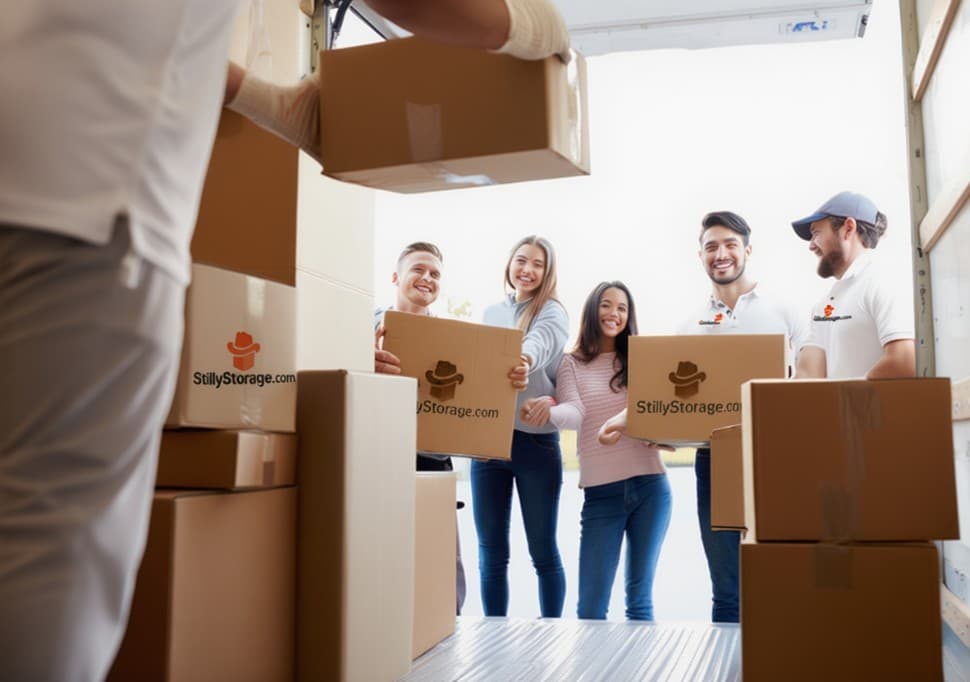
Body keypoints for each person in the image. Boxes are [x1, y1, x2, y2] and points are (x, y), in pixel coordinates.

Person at [0, 1, 570, 678]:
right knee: (50, 551)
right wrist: (528, 25)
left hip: (41, 175)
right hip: (84, 212)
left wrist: (265, 100)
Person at [599, 210, 807, 623]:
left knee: (782, 572)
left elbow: (808, 381)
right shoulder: (690, 324)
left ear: (748, 250)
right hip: (716, 460)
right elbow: (668, 396)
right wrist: (630, 420)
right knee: (726, 585)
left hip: (776, 454)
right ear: (701, 256)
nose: (721, 253)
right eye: (711, 246)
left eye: (730, 244)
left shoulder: (784, 311)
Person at [522, 281, 671, 621]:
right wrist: (550, 412)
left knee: (640, 601)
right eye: (606, 305)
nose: (614, 314)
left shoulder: (641, 358)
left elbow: (658, 411)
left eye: (622, 308)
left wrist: (657, 432)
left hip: (651, 486)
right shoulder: (571, 364)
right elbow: (574, 413)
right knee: (590, 609)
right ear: (592, 309)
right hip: (602, 495)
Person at [473, 235, 569, 617]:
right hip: (488, 443)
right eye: (521, 260)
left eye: (538, 264)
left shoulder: (553, 311)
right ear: (509, 264)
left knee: (542, 550)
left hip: (536, 446)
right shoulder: (491, 312)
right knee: (491, 552)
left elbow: (539, 342)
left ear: (548, 273)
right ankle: (493, 633)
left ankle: (553, 631)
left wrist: (523, 360)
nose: (527, 270)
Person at [372, 241, 469, 615]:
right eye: (418, 269)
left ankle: (447, 634)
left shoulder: (451, 338)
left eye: (435, 274)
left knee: (443, 563)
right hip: (379, 457)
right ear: (396, 277)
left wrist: (511, 374)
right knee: (384, 558)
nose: (427, 278)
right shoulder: (366, 326)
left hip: (432, 459)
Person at [791, 191, 916, 379]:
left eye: (816, 233)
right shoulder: (824, 304)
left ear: (848, 228)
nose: (811, 245)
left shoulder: (884, 281)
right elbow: (809, 376)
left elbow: (904, 361)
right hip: (841, 407)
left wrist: (843, 399)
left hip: (870, 408)